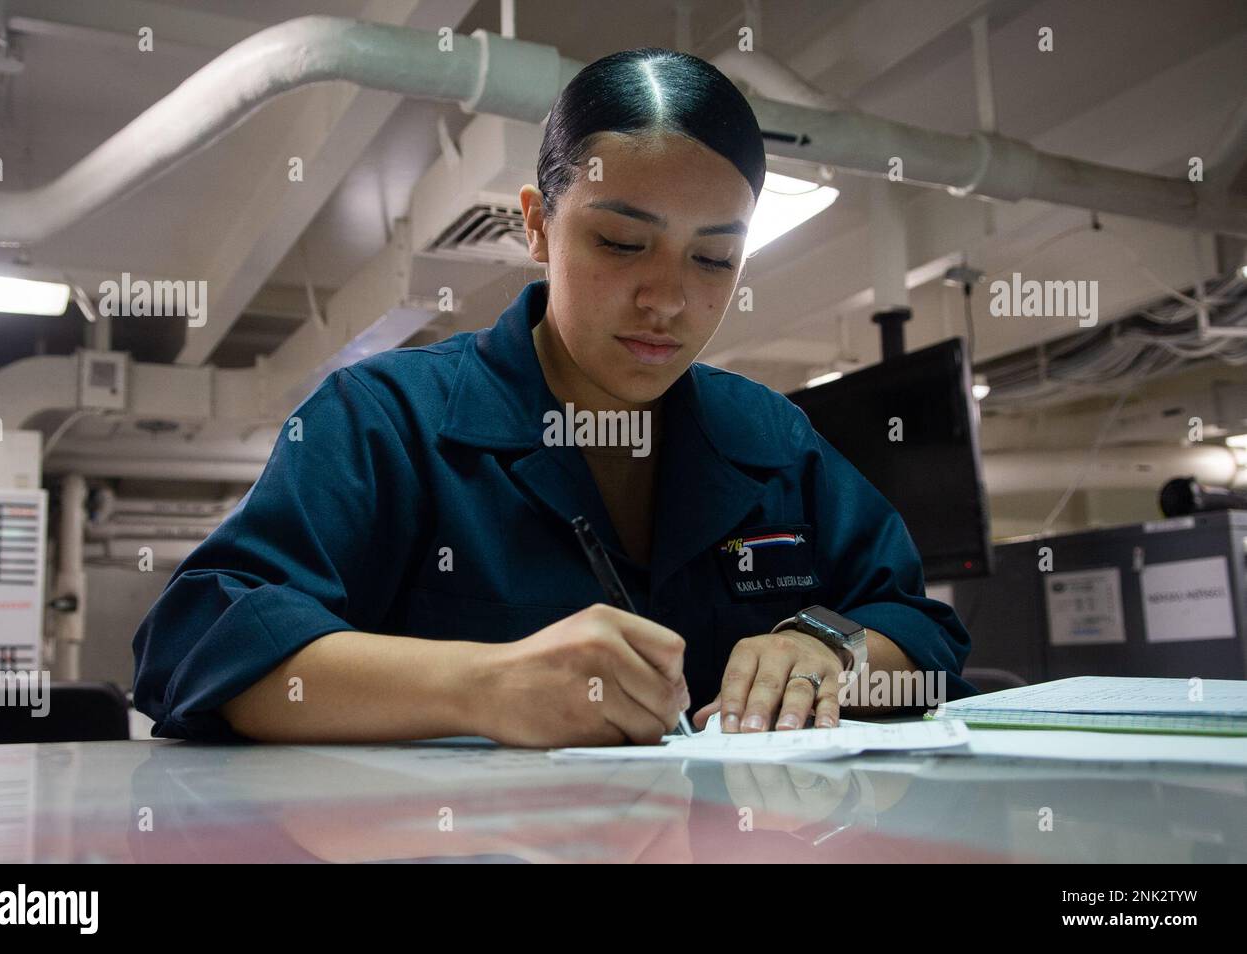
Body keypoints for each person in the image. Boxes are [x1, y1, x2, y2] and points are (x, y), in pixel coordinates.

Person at [132, 47, 978, 746]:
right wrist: (477, 687)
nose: (668, 300)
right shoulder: (386, 421)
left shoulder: (771, 439)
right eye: (620, 241)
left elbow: (923, 632)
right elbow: (197, 646)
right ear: (536, 224)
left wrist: (831, 649)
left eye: (714, 258)